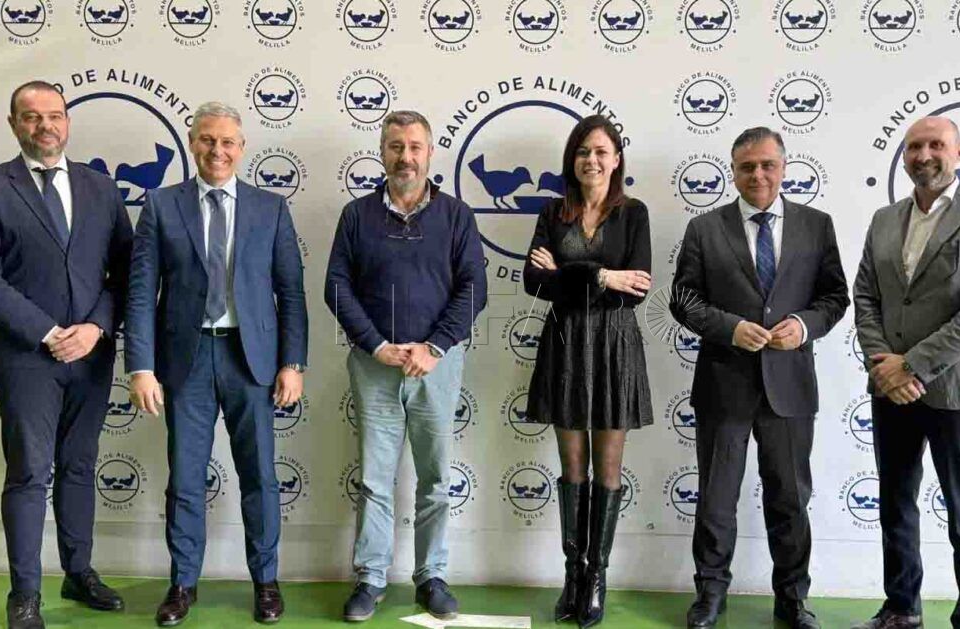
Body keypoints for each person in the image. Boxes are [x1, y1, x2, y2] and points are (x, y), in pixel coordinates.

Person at [0, 80, 133, 629]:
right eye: (31, 117)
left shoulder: (102, 189)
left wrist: (96, 327)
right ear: (14, 124)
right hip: (25, 357)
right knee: (30, 471)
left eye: (54, 115)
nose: (45, 126)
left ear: (67, 121)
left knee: (79, 465)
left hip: (91, 354)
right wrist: (49, 332)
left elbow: (125, 272)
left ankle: (78, 573)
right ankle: (25, 594)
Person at [126, 101, 308, 626]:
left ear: (242, 148)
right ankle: (183, 584)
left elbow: (290, 292)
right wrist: (140, 367)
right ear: (192, 144)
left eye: (227, 141)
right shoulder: (161, 206)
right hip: (185, 361)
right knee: (185, 479)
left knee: (260, 477)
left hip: (252, 361)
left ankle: (266, 582)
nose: (217, 150)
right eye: (207, 139)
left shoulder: (270, 208)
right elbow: (141, 293)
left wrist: (293, 363)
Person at [671, 127, 849, 629]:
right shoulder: (704, 228)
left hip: (789, 387)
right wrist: (730, 328)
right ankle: (710, 596)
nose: (758, 175)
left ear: (784, 167)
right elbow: (683, 300)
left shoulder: (817, 226)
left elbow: (835, 297)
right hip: (724, 384)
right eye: (747, 166)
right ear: (733, 172)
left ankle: (792, 600)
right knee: (716, 498)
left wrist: (805, 325)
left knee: (790, 498)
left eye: (768, 164)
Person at [851, 116, 960, 629]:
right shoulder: (884, 219)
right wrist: (884, 365)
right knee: (896, 505)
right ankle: (902, 608)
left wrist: (911, 364)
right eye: (914, 147)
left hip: (959, 391)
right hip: (891, 388)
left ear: (959, 152)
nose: (924, 155)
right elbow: (866, 296)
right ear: (904, 156)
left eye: (936, 145)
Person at [325, 110, 487, 623]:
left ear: (430, 153)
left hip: (436, 364)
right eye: (396, 146)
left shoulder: (456, 216)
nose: (405, 157)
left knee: (435, 476)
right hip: (374, 365)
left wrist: (433, 347)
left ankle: (431, 577)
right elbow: (336, 286)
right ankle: (371, 578)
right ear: (382, 152)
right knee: (375, 478)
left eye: (415, 147)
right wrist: (376, 345)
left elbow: (474, 288)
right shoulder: (356, 215)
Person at [522, 114, 653, 628]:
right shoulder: (552, 213)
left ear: (616, 159)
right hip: (565, 343)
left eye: (600, 151)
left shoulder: (634, 214)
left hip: (615, 345)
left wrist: (567, 274)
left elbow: (637, 290)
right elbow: (534, 283)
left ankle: (597, 577)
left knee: (609, 469)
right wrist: (602, 276)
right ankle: (572, 576)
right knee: (573, 467)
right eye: (582, 152)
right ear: (571, 160)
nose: (591, 160)